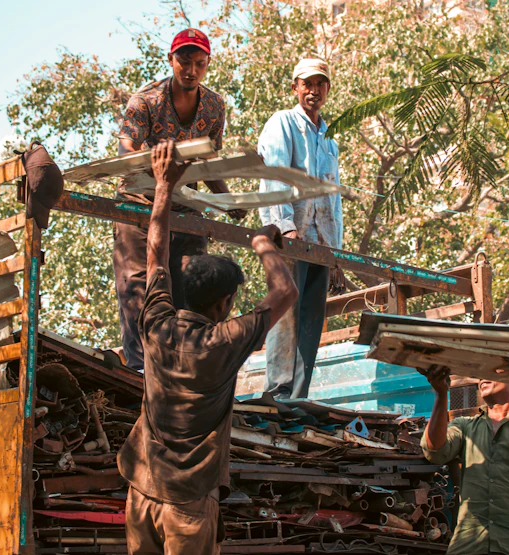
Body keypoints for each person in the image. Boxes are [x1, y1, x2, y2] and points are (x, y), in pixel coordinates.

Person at [119, 140, 298, 554]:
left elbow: (156, 253)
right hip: (188, 501)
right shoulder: (225, 341)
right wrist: (262, 243)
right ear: (225, 304)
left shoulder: (156, 323)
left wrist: (164, 186)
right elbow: (285, 290)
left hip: (142, 490)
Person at [114, 28, 245, 371]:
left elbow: (207, 161)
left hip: (186, 211)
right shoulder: (145, 101)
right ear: (170, 60)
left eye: (199, 64)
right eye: (184, 62)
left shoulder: (214, 106)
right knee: (140, 290)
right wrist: (152, 159)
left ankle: (186, 369)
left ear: (207, 64)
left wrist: (228, 200)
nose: (191, 70)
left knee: (190, 289)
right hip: (140, 207)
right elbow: (125, 149)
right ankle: (142, 371)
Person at [257, 58, 345, 399]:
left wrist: (335, 253)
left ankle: (299, 395)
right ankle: (277, 390)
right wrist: (284, 227)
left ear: (327, 89)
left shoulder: (329, 140)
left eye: (320, 83)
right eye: (306, 83)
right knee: (285, 314)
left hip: (320, 245)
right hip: (290, 237)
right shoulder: (283, 122)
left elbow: (332, 200)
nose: (313, 90)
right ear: (295, 87)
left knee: (311, 320)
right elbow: (274, 176)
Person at [421, 363, 509, 555]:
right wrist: (440, 394)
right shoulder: (464, 426)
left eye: (494, 369)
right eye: (479, 374)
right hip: (469, 544)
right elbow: (434, 451)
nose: (482, 377)